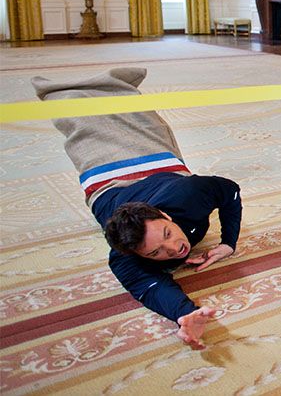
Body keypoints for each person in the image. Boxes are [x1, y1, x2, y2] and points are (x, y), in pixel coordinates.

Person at [31, 67, 242, 350]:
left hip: (155, 170)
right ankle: (67, 89)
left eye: (167, 233)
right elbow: (150, 287)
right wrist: (184, 313)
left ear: (165, 216)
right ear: (138, 254)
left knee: (137, 120)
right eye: (156, 253)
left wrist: (229, 243)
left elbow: (230, 192)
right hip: (108, 185)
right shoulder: (124, 257)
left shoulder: (191, 193)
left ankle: (110, 85)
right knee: (90, 126)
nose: (174, 249)